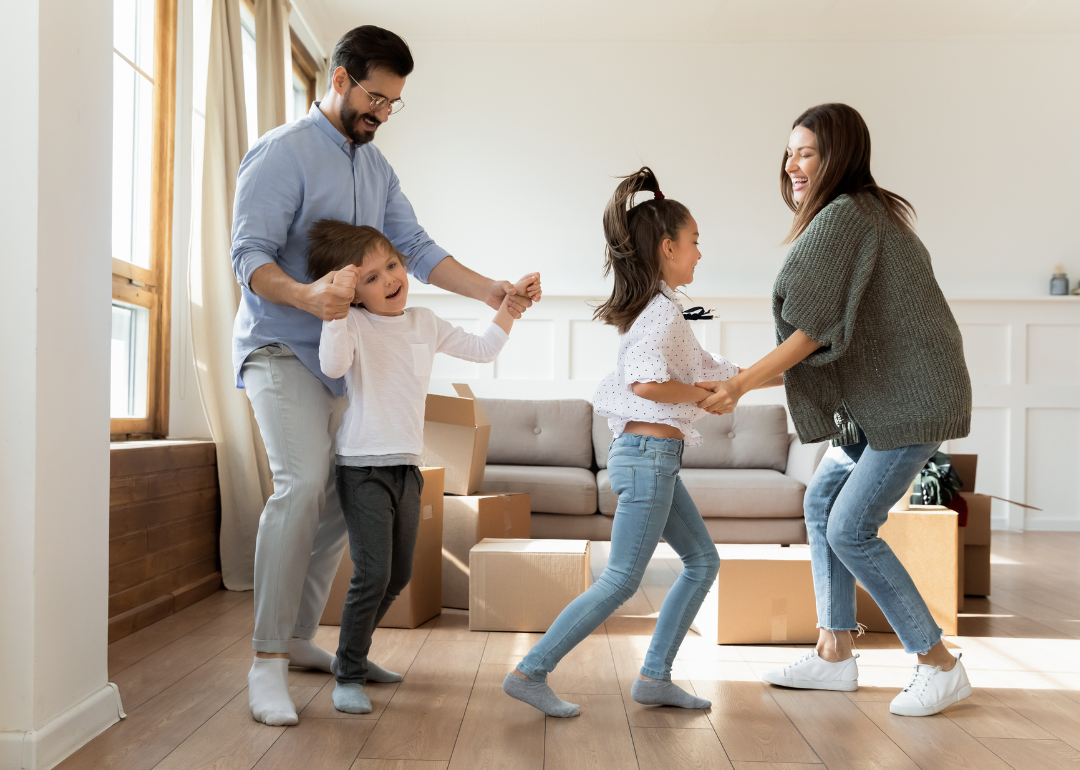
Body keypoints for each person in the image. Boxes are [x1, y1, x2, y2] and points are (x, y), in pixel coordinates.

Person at [231, 24, 541, 726]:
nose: (382, 114)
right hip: (282, 347)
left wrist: (493, 292)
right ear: (338, 80)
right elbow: (247, 257)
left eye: (394, 103)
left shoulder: (376, 170)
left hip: (349, 363)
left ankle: (300, 636)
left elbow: (420, 249)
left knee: (343, 504)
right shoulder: (282, 153)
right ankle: (266, 661)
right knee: (303, 481)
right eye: (375, 98)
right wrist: (310, 297)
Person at [701, 103, 973, 717]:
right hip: (887, 402)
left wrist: (740, 384)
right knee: (822, 500)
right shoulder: (866, 212)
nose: (793, 165)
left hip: (910, 402)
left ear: (838, 157)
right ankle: (833, 654)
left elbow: (812, 332)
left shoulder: (846, 216)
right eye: (790, 151)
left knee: (850, 526)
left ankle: (939, 663)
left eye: (808, 153)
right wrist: (741, 381)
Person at [503, 167, 781, 718]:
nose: (701, 253)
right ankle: (529, 671)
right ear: (668, 246)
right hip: (649, 458)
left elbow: (720, 371)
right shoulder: (662, 310)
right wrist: (705, 396)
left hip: (656, 459)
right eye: (695, 242)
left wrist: (790, 370)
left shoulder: (663, 309)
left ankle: (654, 676)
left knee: (702, 562)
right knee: (622, 580)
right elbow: (647, 384)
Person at [308, 220, 515, 714]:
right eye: (372, 278)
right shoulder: (352, 324)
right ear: (355, 295)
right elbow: (333, 367)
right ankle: (349, 673)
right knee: (372, 574)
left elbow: (483, 350)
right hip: (363, 468)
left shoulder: (425, 321)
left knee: (398, 576)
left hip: (407, 467)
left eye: (393, 266)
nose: (390, 280)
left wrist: (509, 308)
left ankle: (349, 658)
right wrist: (334, 311)